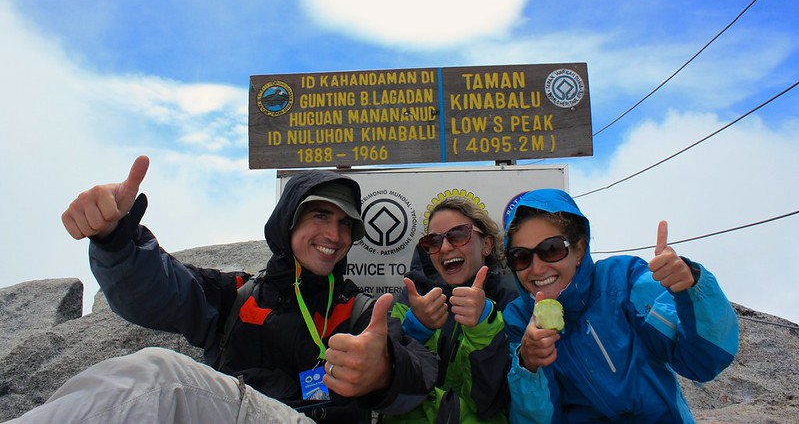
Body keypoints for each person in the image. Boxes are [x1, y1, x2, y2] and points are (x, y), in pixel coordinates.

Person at [12, 155, 437, 423]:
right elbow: (154, 290)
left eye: (347, 224)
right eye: (320, 216)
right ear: (287, 221)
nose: (334, 233)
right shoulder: (235, 295)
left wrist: (383, 371)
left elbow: (422, 374)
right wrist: (114, 239)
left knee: (158, 377)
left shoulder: (361, 312)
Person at [502, 189, 739, 423]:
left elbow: (705, 361)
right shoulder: (519, 318)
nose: (537, 268)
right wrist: (528, 365)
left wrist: (690, 287)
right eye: (520, 256)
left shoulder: (624, 280)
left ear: (579, 250)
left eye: (551, 249)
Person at [386, 196, 518, 423]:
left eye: (458, 235)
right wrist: (414, 330)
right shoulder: (412, 298)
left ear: (486, 245)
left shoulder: (513, 304)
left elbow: (493, 402)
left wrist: (483, 327)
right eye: (434, 241)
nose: (445, 248)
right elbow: (389, 390)